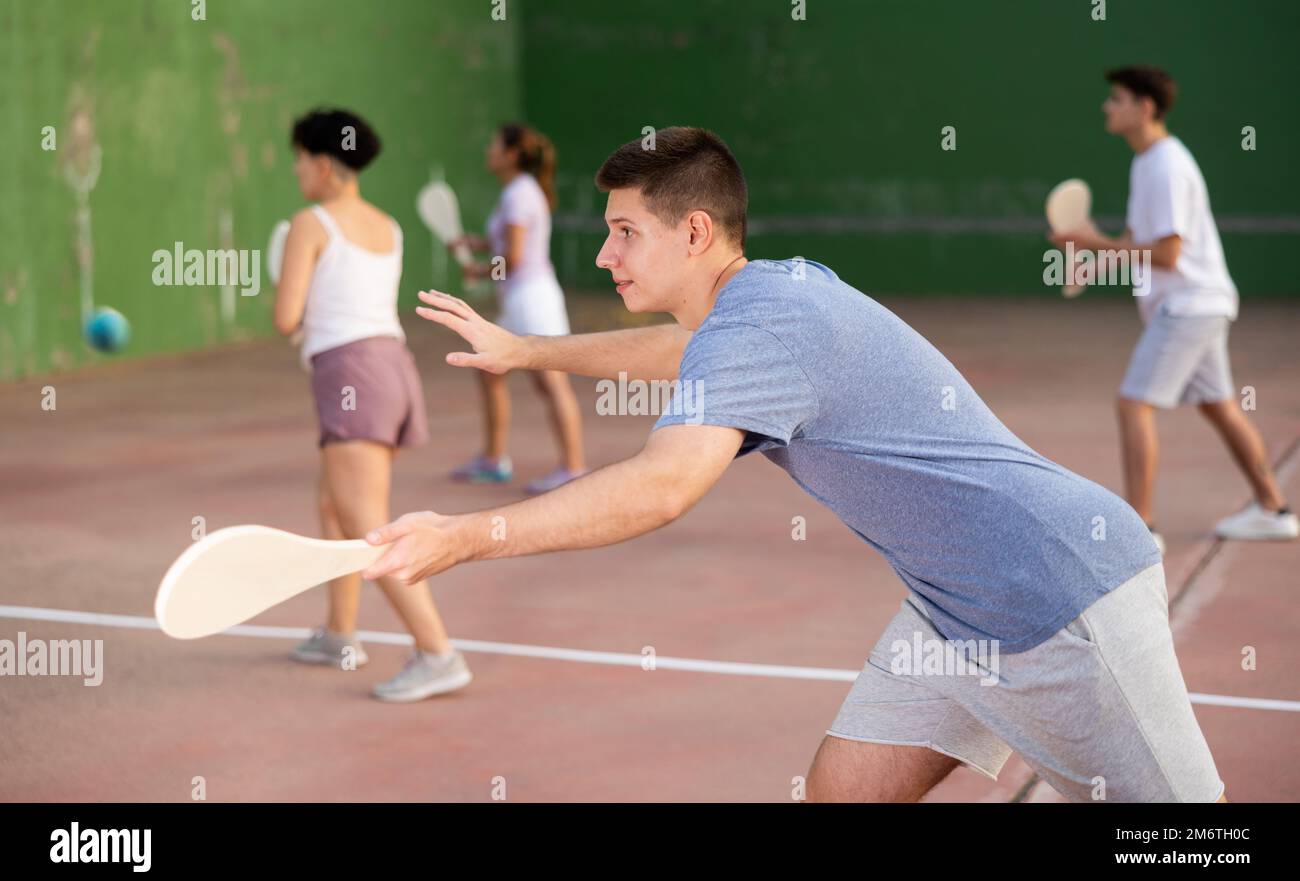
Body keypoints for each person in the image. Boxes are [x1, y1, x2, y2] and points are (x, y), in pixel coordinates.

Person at [366, 126, 1225, 802]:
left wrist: (462, 537)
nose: (604, 255)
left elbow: (662, 487)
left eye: (624, 233)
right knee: (842, 792)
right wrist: (526, 350)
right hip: (952, 612)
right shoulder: (769, 291)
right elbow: (679, 353)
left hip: (1059, 594)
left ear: (694, 231)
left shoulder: (761, 325)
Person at [1049, 65, 1296, 551]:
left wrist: (1090, 240)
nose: (1107, 107)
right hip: (1203, 302)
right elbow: (1139, 243)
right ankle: (1274, 510)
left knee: (1133, 402)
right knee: (1219, 405)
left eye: (1116, 99)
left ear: (1144, 108)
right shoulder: (1148, 162)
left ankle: (1142, 529)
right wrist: (1094, 262)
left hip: (1189, 307)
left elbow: (1167, 254)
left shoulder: (1164, 165)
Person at [271, 107, 471, 702]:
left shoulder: (309, 223)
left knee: (365, 522)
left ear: (324, 165)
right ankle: (340, 634)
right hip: (391, 368)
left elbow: (286, 318)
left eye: (301, 158)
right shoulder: (389, 226)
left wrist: (291, 294)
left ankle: (438, 652)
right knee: (334, 504)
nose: (297, 169)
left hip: (350, 372)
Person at [447, 123, 587, 494]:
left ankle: (573, 468)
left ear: (510, 154)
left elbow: (515, 257)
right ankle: (493, 460)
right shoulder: (519, 192)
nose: (488, 151)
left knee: (551, 381)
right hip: (518, 300)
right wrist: (473, 243)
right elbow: (505, 244)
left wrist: (478, 269)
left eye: (494, 145)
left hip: (532, 299)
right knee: (489, 370)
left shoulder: (519, 195)